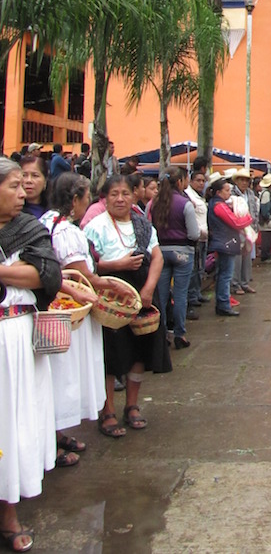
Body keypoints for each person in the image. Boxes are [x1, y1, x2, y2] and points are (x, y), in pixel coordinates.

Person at [0, 157, 62, 554]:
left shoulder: (29, 228)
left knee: (12, 423)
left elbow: (46, 274)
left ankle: (8, 512)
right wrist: (15, 269)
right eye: (12, 185)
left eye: (24, 183)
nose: (22, 191)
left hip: (15, 339)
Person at [84, 174, 171, 437]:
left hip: (141, 291)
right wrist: (117, 265)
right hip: (109, 294)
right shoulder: (95, 227)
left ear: (134, 195)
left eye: (125, 193)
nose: (120, 199)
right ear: (105, 198)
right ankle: (108, 409)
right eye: (114, 194)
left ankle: (132, 405)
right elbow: (87, 266)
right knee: (111, 353)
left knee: (139, 350)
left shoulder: (143, 225)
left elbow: (157, 257)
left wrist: (148, 289)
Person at [41, 173, 107, 469]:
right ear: (75, 199)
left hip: (59, 309)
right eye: (86, 197)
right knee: (62, 376)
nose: (87, 203)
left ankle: (56, 434)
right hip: (67, 311)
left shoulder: (48, 221)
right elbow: (80, 273)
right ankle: (50, 442)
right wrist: (106, 284)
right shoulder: (65, 230)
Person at [148, 167, 199, 350]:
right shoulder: (185, 204)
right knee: (180, 294)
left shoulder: (153, 203)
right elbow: (193, 234)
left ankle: (161, 335)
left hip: (159, 251)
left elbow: (147, 227)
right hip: (183, 252)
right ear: (179, 182)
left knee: (161, 295)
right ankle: (179, 334)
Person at [205, 173, 251, 316]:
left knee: (222, 274)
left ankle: (222, 303)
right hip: (226, 243)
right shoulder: (219, 205)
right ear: (218, 192)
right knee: (225, 275)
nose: (229, 193)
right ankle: (224, 304)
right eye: (226, 190)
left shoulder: (216, 204)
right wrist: (248, 219)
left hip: (222, 242)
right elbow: (235, 222)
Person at [185, 169, 209, 315]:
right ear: (191, 181)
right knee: (194, 268)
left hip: (204, 236)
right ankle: (192, 296)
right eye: (198, 180)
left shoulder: (200, 196)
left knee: (201, 267)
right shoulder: (188, 196)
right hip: (196, 237)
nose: (201, 183)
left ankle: (197, 292)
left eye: (203, 181)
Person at [228, 169, 256, 295]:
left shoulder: (250, 193)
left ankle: (245, 283)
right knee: (237, 259)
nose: (244, 183)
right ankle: (235, 284)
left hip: (249, 230)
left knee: (247, 258)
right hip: (236, 230)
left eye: (246, 180)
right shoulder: (231, 193)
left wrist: (254, 227)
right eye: (242, 180)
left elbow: (254, 211)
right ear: (237, 181)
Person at [20, 155, 50, 219]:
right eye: (24, 175)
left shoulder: (54, 211)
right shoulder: (10, 212)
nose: (29, 180)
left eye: (35, 175)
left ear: (45, 181)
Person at [257, 173, 271, 263]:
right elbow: (265, 209)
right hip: (267, 222)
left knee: (268, 239)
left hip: (268, 221)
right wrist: (268, 218)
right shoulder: (266, 194)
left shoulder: (267, 193)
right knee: (267, 240)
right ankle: (265, 257)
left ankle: (267, 256)